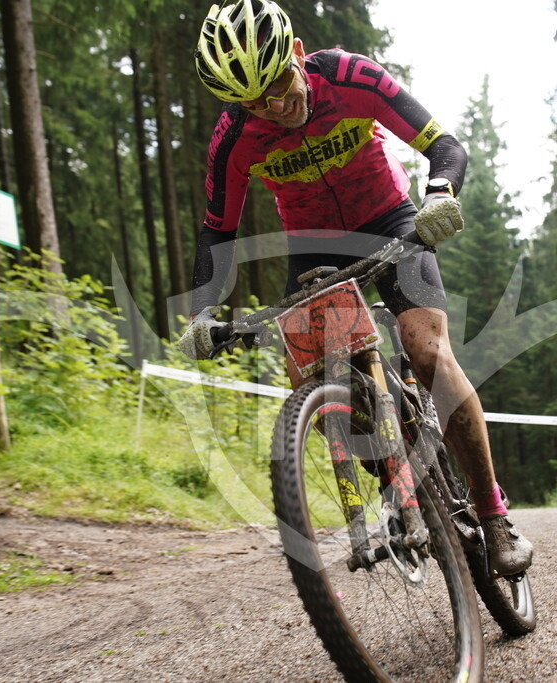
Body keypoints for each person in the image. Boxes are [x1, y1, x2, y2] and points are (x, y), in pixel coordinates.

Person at [178, 0, 533, 574]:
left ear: (296, 53)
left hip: (390, 220)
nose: (277, 107)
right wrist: (201, 312)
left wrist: (439, 194)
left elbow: (444, 146)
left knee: (428, 353)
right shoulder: (236, 138)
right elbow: (217, 230)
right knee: (315, 392)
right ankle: (395, 477)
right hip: (314, 247)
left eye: (280, 85)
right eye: (257, 101)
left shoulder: (348, 75)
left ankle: (494, 517)